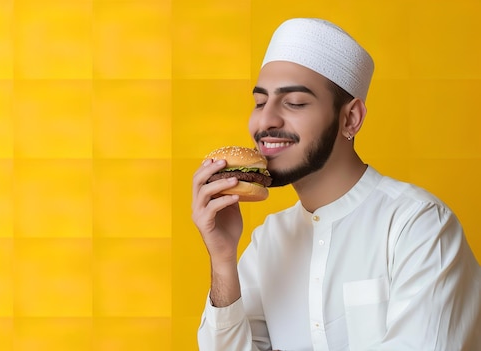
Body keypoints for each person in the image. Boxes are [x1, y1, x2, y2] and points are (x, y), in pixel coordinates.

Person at [191, 18, 481, 351]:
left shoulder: (419, 226)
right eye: (259, 102)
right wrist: (223, 259)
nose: (266, 120)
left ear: (351, 118)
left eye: (295, 102)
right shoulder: (269, 240)